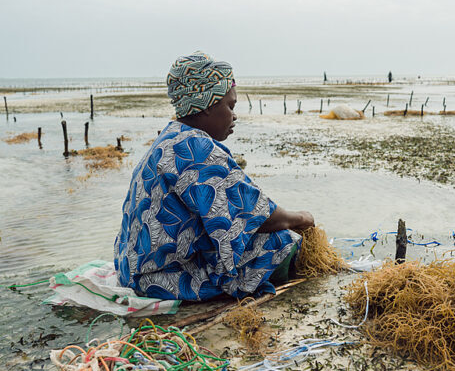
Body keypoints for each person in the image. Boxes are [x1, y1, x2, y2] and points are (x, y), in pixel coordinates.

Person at [114, 51, 314, 301]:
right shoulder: (196, 148)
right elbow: (257, 215)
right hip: (160, 279)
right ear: (206, 106)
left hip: (130, 268)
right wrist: (301, 218)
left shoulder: (169, 138)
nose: (234, 115)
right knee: (280, 241)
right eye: (230, 106)